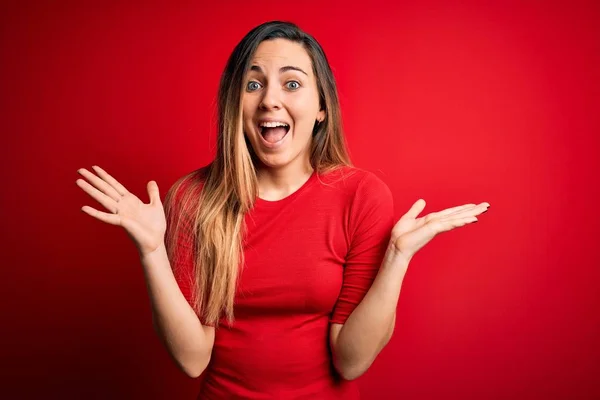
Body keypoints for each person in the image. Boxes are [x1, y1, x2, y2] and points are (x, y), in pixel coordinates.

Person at [75, 20, 490, 399]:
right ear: (234, 104)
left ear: (322, 107)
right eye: (253, 85)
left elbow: (352, 360)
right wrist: (152, 253)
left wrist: (396, 258)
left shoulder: (362, 196)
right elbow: (192, 360)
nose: (270, 99)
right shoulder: (192, 198)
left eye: (292, 84)